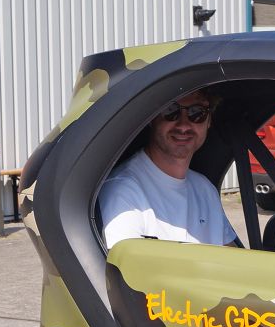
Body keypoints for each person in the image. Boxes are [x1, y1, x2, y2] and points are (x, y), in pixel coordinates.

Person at [99, 89, 237, 248]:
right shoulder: (123, 191)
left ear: (209, 121)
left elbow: (234, 261)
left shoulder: (205, 189)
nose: (184, 125)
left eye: (197, 113)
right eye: (170, 110)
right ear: (151, 118)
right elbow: (124, 270)